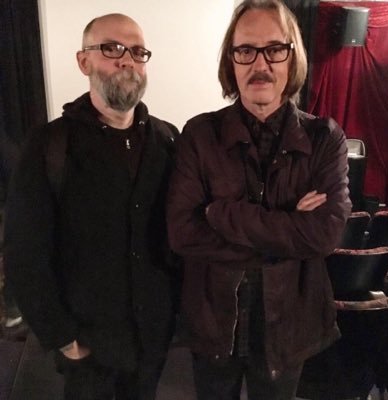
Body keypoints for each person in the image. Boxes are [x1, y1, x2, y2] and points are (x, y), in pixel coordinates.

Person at [167, 1, 352, 399]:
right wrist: (286, 234)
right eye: (245, 50)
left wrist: (220, 213)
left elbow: (323, 235)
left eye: (274, 49)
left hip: (290, 324)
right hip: (214, 318)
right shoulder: (199, 134)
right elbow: (182, 233)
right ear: (231, 61)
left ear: (292, 56)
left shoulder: (325, 138)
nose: (260, 63)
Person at [4, 13, 178, 400]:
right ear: (84, 61)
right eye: (112, 48)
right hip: (86, 346)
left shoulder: (167, 140)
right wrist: (63, 338)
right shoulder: (49, 146)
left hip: (152, 339)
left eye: (137, 51)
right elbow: (23, 252)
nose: (127, 60)